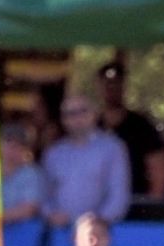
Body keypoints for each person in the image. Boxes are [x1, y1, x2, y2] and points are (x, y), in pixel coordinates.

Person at [44, 95, 131, 228]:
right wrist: (50, 214)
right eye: (70, 114)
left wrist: (97, 221)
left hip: (100, 231)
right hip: (59, 232)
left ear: (94, 114)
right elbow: (44, 194)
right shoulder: (54, 153)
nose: (77, 118)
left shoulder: (113, 148)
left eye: (83, 111)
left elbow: (118, 194)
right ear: (63, 120)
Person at [97, 63, 164, 218]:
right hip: (97, 207)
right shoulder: (93, 126)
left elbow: (158, 168)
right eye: (107, 84)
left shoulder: (142, 126)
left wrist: (152, 205)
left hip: (136, 205)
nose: (111, 90)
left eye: (116, 85)